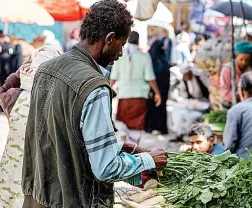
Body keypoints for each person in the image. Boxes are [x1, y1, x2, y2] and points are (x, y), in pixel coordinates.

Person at [22, 1, 168, 207]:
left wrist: (120, 146)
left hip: (38, 196)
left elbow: (63, 138)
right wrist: (149, 160)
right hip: (73, 200)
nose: (120, 53)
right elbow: (106, 168)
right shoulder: (94, 87)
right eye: (121, 44)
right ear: (109, 39)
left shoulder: (46, 69)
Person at [0, 47, 61, 208]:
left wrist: (20, 72)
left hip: (10, 180)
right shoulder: (53, 102)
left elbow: (3, 90)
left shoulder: (16, 97)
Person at [110, 31, 162, 144]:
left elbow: (113, 77)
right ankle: (133, 147)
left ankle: (124, 143)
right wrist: (157, 93)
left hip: (124, 95)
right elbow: (150, 78)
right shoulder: (144, 56)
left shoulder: (120, 56)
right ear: (138, 41)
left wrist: (107, 91)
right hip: (139, 96)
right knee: (136, 125)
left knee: (122, 122)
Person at [171, 64, 211, 141]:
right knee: (179, 113)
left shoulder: (199, 76)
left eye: (186, 74)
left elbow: (209, 88)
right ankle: (180, 134)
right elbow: (184, 94)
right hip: (193, 103)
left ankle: (193, 136)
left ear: (190, 72)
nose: (184, 77)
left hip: (204, 102)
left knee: (192, 117)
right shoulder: (185, 80)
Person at [220, 41, 252, 108]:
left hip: (250, 105)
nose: (244, 62)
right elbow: (225, 92)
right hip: (231, 105)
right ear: (236, 56)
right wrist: (240, 95)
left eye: (247, 60)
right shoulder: (227, 69)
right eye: (241, 59)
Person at [145, 37, 171, 135]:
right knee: (161, 107)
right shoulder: (164, 60)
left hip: (152, 90)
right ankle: (161, 127)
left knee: (151, 107)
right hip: (163, 90)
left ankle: (150, 127)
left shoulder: (150, 59)